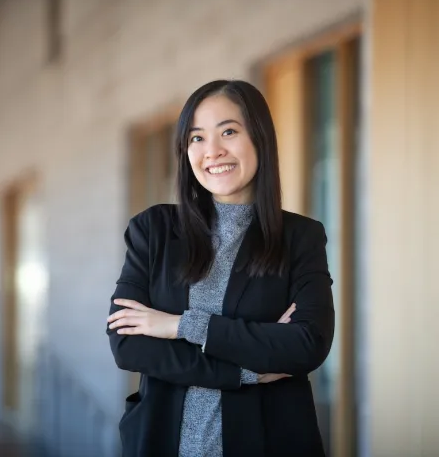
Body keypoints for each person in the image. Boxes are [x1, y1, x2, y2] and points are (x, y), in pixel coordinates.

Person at [106, 79, 334, 457]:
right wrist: (247, 370)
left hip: (268, 442)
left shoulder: (301, 237)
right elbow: (128, 344)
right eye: (197, 138)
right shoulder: (154, 230)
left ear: (259, 138)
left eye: (228, 131)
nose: (212, 151)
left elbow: (306, 345)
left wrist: (178, 326)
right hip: (161, 442)